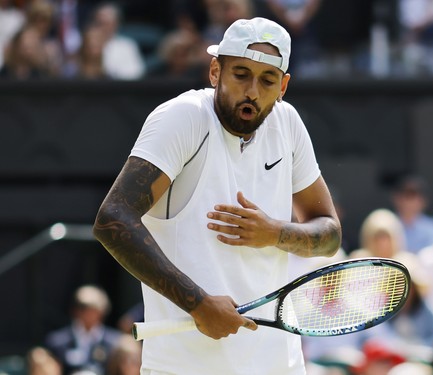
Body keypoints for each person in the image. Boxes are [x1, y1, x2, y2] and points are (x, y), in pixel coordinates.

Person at [93, 16, 342, 375]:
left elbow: (330, 234)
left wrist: (274, 233)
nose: (253, 91)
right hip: (183, 366)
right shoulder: (183, 118)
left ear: (283, 86)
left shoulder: (288, 124)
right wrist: (197, 304)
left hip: (278, 364)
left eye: (267, 80)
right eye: (241, 74)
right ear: (215, 71)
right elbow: (113, 218)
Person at [44, 285, 123, 375]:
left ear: (101, 311)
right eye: (82, 307)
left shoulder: (115, 343)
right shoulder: (57, 342)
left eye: (92, 309)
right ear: (75, 310)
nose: (87, 313)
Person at [390, 175, 433, 254]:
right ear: (397, 198)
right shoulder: (387, 225)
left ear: (423, 200)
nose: (411, 200)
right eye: (407, 194)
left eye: (415, 194)